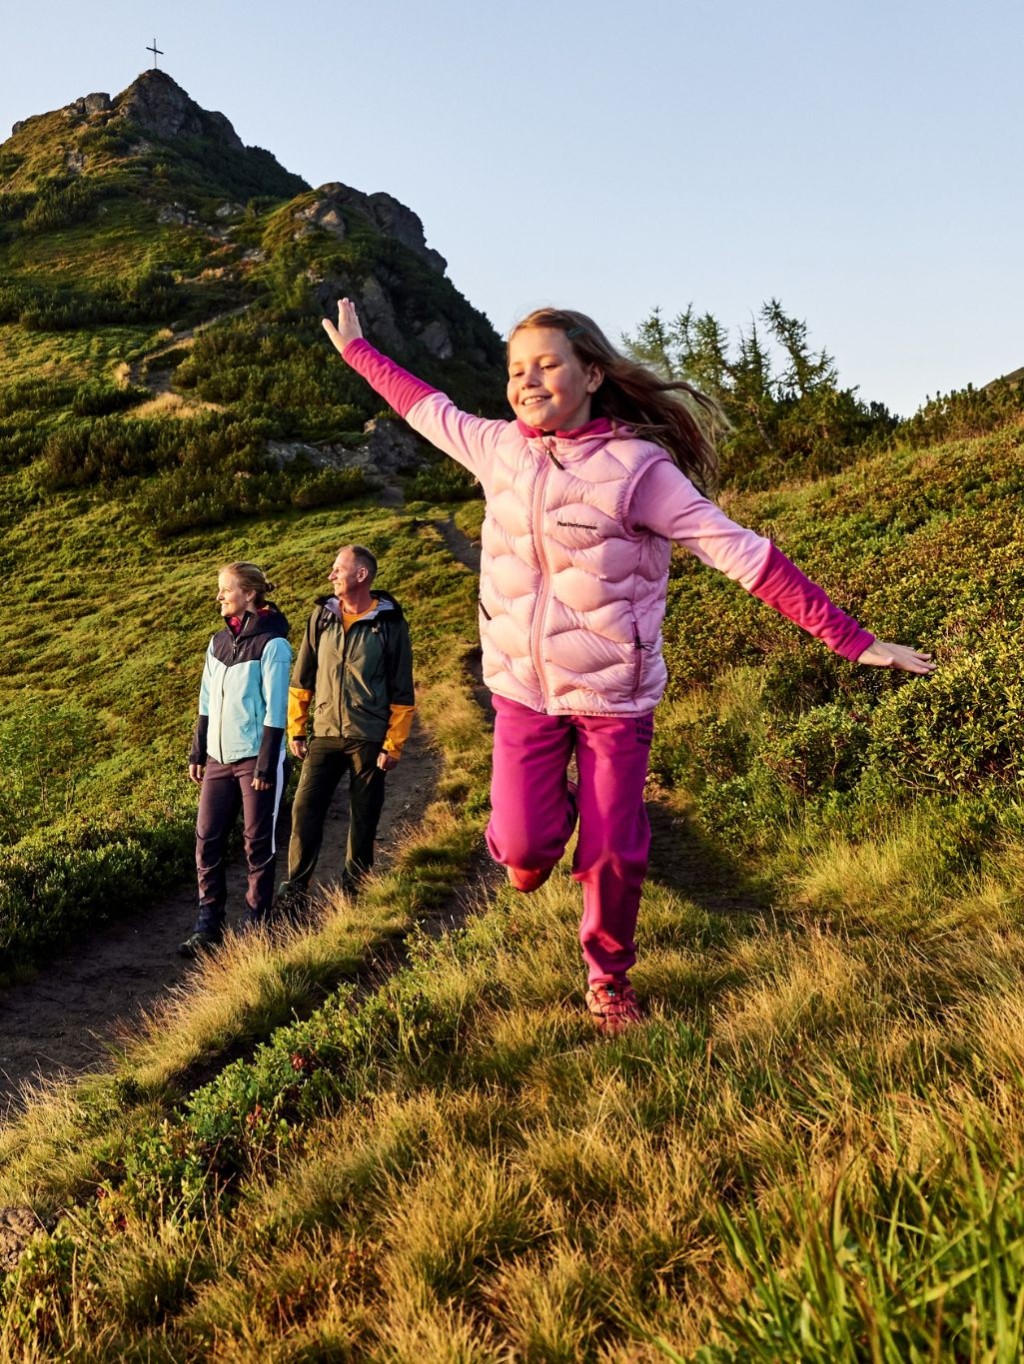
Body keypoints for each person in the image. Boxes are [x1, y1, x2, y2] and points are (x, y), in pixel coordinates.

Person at [321, 298, 935, 1035]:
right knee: (521, 848)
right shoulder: (497, 448)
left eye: (548, 363)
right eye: (517, 368)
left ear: (592, 373)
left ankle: (608, 979)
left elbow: (742, 552)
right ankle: (541, 835)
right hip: (523, 691)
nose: (528, 380)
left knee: (614, 850)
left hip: (615, 698)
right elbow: (425, 406)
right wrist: (360, 353)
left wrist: (853, 639)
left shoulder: (640, 471)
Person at [276, 543, 415, 906]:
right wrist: (297, 728)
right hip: (324, 732)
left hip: (368, 737)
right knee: (304, 810)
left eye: (338, 569)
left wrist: (393, 744)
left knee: (364, 817)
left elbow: (402, 689)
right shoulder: (321, 617)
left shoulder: (390, 624)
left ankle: (355, 893)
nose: (331, 575)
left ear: (361, 575)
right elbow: (302, 676)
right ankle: (295, 894)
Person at [181, 562, 291, 957]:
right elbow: (206, 701)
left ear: (249, 594)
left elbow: (276, 710)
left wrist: (265, 764)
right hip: (217, 758)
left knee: (256, 844)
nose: (219, 596)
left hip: (254, 761)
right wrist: (199, 749)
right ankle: (209, 925)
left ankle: (256, 926)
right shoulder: (217, 642)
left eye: (225, 590)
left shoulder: (273, 644)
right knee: (206, 840)